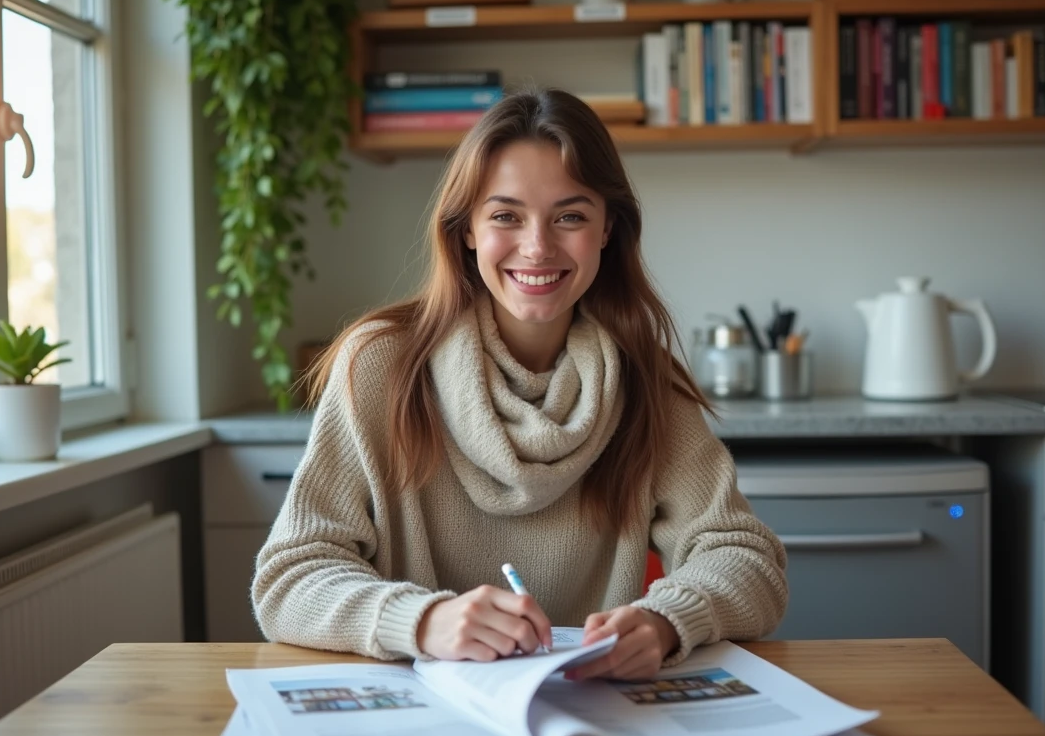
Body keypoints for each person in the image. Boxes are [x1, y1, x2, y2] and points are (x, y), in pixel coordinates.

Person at [252, 87, 787, 681]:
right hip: (421, 717)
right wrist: (423, 621)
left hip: (590, 715)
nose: (538, 246)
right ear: (468, 230)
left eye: (571, 217)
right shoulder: (380, 365)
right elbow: (289, 577)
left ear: (607, 229)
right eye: (506, 215)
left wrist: (668, 620)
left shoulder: (645, 381)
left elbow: (748, 560)